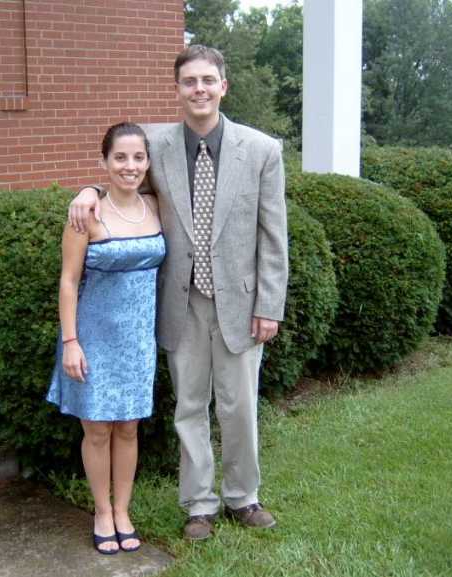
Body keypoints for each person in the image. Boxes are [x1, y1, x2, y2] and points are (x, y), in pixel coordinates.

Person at [68, 45, 288, 540]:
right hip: (180, 302)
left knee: (238, 406)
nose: (199, 89)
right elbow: (120, 169)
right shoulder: (155, 143)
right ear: (177, 90)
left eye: (208, 80)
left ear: (223, 86)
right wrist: (88, 191)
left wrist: (269, 305)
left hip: (241, 303)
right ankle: (199, 505)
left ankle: (243, 497)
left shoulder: (261, 150)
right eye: (189, 81)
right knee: (189, 406)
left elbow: (274, 235)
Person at [47, 122, 166, 554]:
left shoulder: (157, 206)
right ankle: (101, 511)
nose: (129, 166)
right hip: (93, 338)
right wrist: (70, 342)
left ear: (147, 163)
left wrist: (89, 188)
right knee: (97, 430)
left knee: (129, 428)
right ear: (104, 162)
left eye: (138, 157)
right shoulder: (86, 216)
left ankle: (123, 511)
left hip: (138, 341)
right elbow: (68, 282)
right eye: (120, 157)